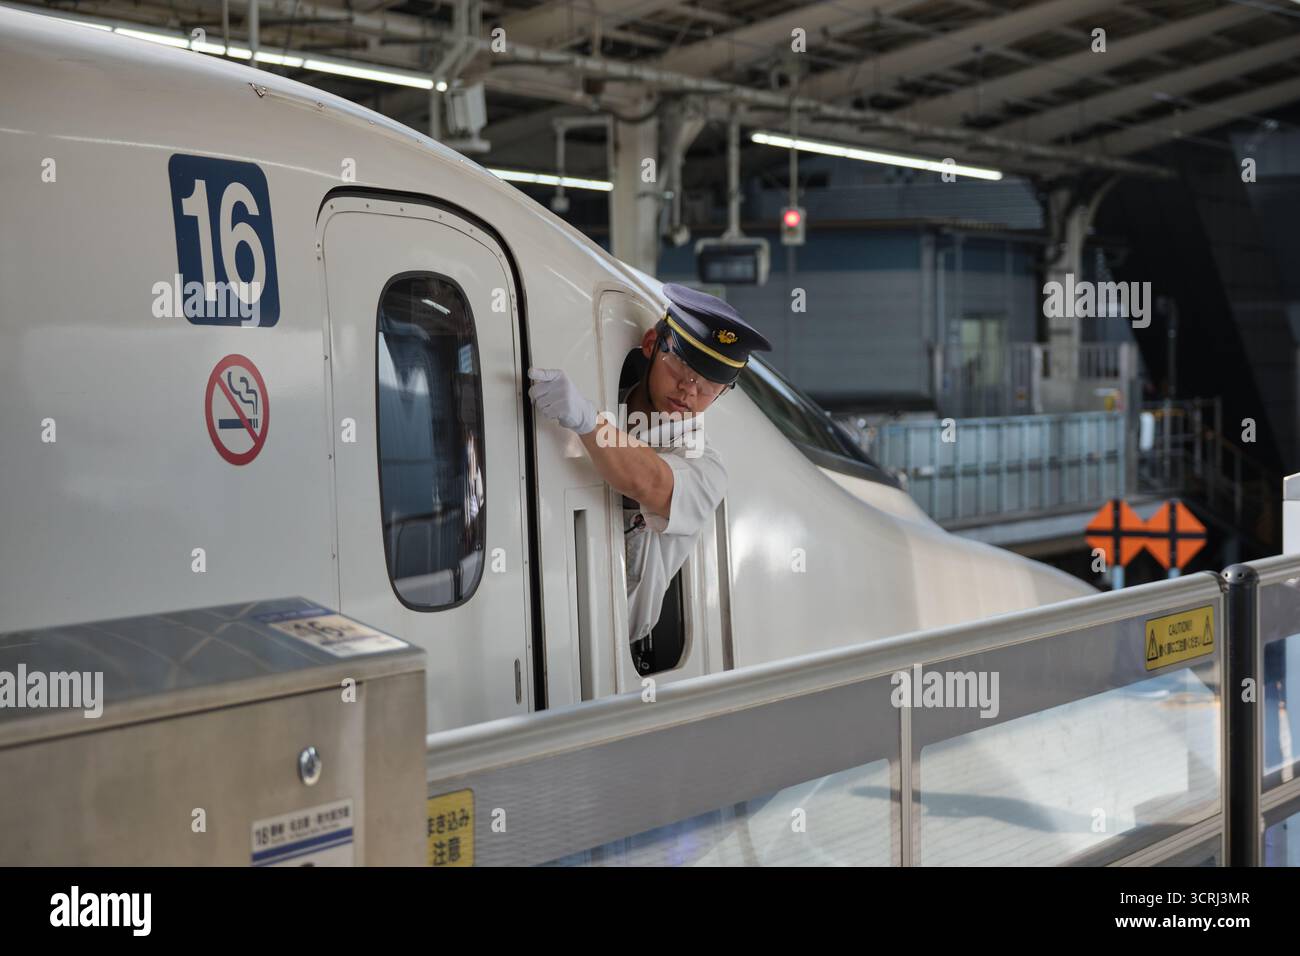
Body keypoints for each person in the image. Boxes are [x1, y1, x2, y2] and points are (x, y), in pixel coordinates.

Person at [528, 283, 771, 672]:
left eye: (710, 385)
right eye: (683, 366)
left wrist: (589, 424)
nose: (689, 389)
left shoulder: (705, 465)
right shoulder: (600, 392)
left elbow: (651, 483)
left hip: (606, 656)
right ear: (651, 343)